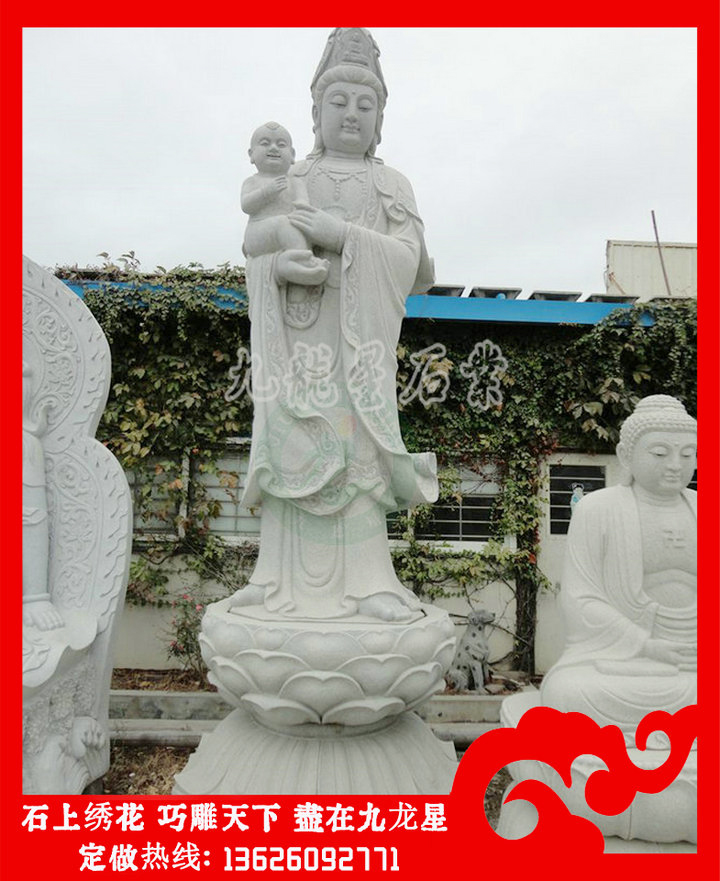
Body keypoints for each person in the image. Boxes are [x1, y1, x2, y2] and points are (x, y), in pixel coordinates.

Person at [231, 28, 437, 620]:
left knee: (356, 450)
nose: (351, 114)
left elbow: (411, 264)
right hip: (297, 339)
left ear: (380, 118)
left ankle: (368, 583)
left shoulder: (390, 184)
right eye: (339, 102)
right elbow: (254, 242)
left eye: (365, 105)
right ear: (316, 113)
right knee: (291, 443)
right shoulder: (292, 175)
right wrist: (278, 264)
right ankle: (274, 578)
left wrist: (341, 235)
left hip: (359, 345)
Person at [541, 395, 697, 746]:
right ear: (626, 455)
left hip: (697, 656)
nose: (675, 465)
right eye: (660, 453)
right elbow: (579, 600)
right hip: (627, 658)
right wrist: (647, 646)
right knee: (569, 694)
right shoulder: (597, 510)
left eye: (688, 455)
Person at [242, 122, 329, 288]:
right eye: (265, 143)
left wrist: (302, 212)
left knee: (298, 224)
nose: (273, 148)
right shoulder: (253, 181)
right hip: (257, 233)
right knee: (285, 223)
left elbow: (303, 204)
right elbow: (246, 205)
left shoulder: (295, 183)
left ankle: (293, 266)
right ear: (251, 154)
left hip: (288, 233)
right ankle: (303, 260)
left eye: (281, 144)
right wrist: (266, 192)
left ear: (292, 155)